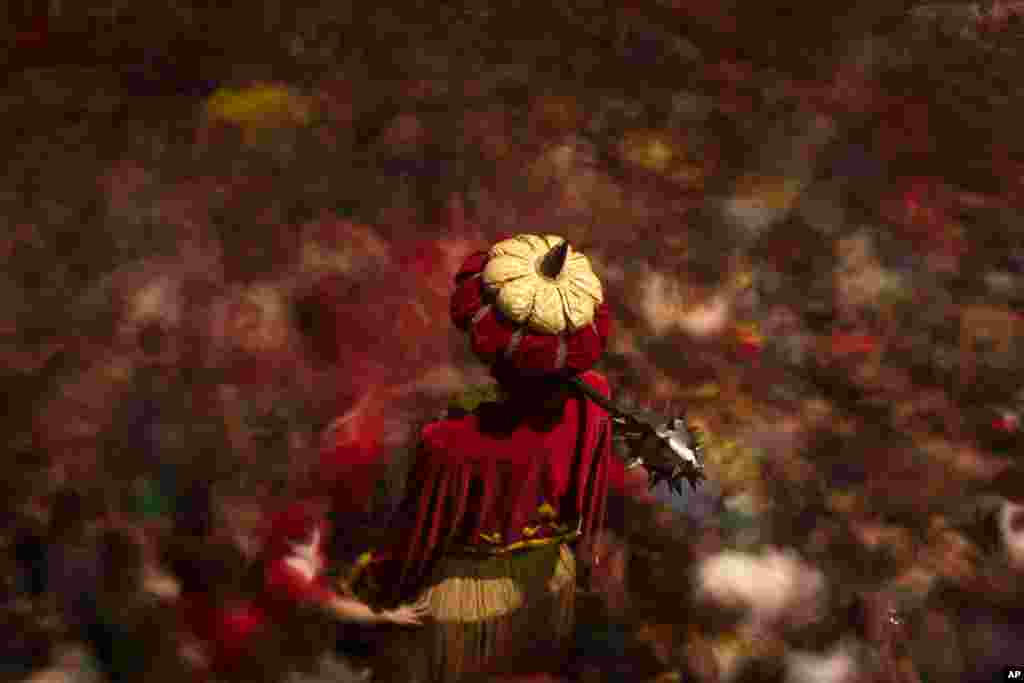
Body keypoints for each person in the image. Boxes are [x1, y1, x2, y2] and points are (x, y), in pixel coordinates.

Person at [350, 234, 616, 682]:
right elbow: (589, 504)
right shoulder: (596, 400)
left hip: (465, 604)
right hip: (551, 583)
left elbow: (417, 543)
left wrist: (371, 587)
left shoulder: (450, 440)